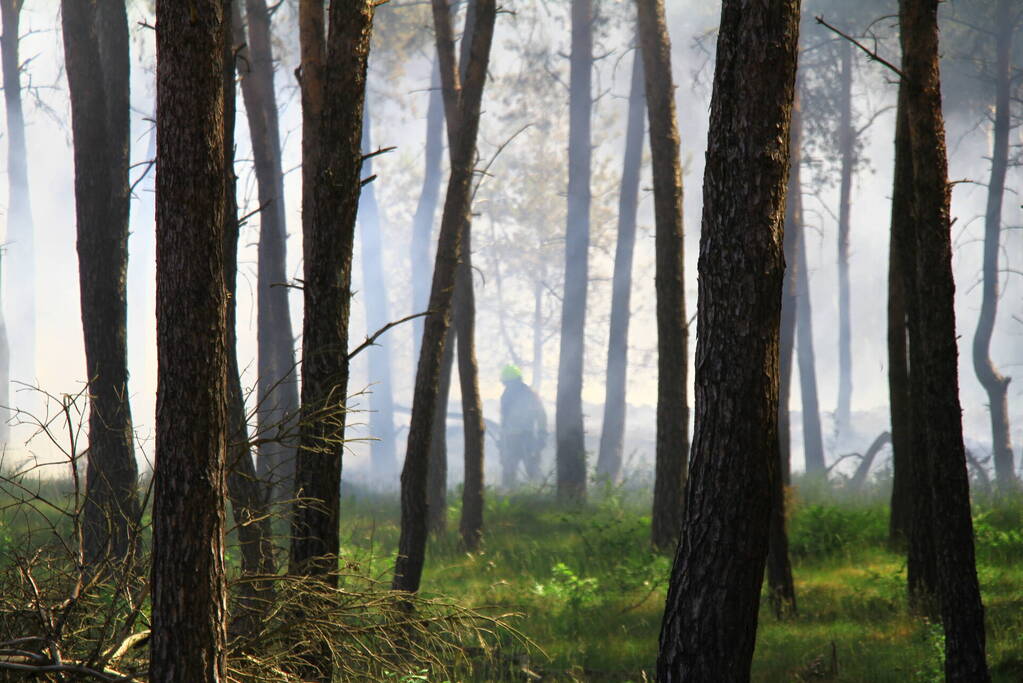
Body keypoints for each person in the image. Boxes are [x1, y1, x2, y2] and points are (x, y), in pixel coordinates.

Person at [499, 365, 547, 488]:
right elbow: (504, 419)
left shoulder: (529, 394)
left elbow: (541, 414)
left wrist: (542, 434)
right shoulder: (506, 396)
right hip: (510, 439)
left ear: (516, 381)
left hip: (527, 437)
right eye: (506, 384)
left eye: (509, 383)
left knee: (533, 469)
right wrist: (502, 439)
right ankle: (508, 495)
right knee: (508, 471)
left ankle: (539, 493)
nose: (508, 386)